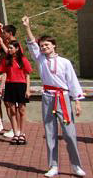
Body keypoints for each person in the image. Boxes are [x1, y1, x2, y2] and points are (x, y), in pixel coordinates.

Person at [22, 16, 86, 178]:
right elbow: (32, 44)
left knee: (69, 133)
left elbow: (72, 82)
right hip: (48, 98)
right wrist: (27, 27)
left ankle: (76, 166)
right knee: (50, 133)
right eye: (42, 46)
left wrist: (77, 102)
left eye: (47, 45)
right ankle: (53, 166)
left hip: (63, 98)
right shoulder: (40, 59)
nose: (44, 47)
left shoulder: (65, 62)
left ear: (54, 45)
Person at [0, 38, 32, 145]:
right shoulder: (6, 60)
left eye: (11, 48)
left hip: (21, 86)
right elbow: (4, 74)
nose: (9, 49)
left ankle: (22, 134)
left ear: (17, 48)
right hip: (10, 86)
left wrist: (27, 90)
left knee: (22, 110)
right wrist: (1, 88)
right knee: (12, 111)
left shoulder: (23, 60)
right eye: (8, 48)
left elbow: (27, 75)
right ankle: (16, 133)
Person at [0, 24, 17, 137]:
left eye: (4, 33)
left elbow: (10, 55)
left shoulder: (15, 44)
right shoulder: (9, 42)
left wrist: (1, 43)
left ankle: (16, 130)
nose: (3, 34)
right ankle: (15, 129)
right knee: (8, 104)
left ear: (10, 33)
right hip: (8, 77)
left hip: (11, 78)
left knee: (11, 106)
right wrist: (1, 29)